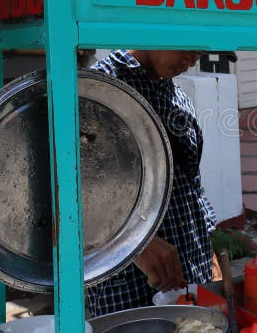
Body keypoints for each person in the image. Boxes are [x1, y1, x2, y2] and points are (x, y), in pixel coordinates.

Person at [86, 49, 218, 316]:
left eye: (202, 52)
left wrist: (210, 253)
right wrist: (135, 244)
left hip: (193, 274)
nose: (191, 61)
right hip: (128, 286)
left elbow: (190, 185)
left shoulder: (176, 95)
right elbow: (68, 198)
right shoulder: (96, 90)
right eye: (189, 47)